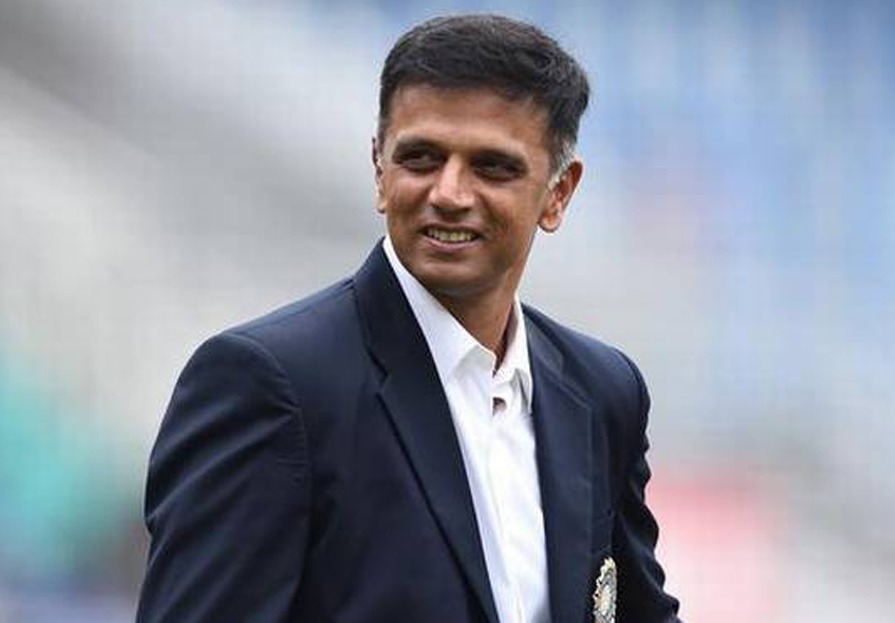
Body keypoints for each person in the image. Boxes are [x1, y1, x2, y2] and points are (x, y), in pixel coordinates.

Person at [137, 14, 681, 623]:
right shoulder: (269, 384)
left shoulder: (601, 391)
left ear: (559, 193)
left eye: (492, 167)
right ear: (379, 169)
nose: (448, 193)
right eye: (421, 158)